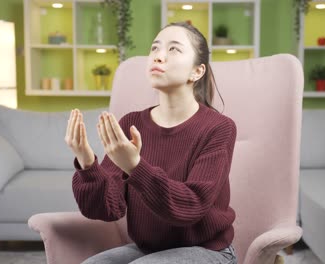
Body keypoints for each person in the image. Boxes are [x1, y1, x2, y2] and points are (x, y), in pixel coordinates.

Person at [65, 21, 238, 264]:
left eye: (173, 49)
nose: (158, 56)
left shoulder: (219, 128)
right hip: (150, 251)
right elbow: (108, 208)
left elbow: (191, 206)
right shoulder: (131, 123)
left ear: (197, 72)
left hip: (209, 251)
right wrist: (87, 163)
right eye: (155, 48)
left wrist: (136, 166)